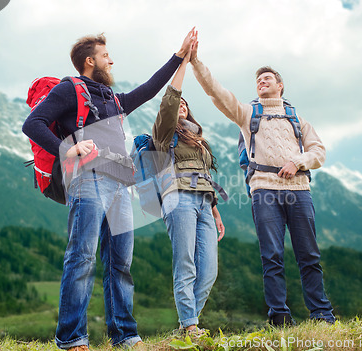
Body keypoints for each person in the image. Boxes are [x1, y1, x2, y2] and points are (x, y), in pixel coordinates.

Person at [22, 29, 196, 350]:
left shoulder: (114, 99)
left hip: (119, 182)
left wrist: (179, 55)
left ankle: (125, 336)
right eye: (105, 56)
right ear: (90, 61)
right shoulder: (68, 90)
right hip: (88, 178)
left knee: (121, 263)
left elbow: (149, 88)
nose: (111, 60)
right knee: (83, 257)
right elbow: (32, 123)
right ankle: (73, 339)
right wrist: (67, 147)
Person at [189, 38, 335, 326]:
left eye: (267, 78)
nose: (261, 82)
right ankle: (279, 317)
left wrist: (299, 162)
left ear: (280, 85)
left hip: (300, 190)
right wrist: (195, 62)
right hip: (264, 190)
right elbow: (217, 93)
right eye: (258, 80)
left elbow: (319, 151)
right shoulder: (248, 114)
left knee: (309, 254)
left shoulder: (297, 119)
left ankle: (321, 314)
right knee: (272, 256)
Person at [151, 41, 225, 335]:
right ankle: (191, 326)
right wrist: (184, 62)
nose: (181, 105)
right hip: (177, 198)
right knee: (186, 264)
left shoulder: (199, 139)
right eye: (179, 104)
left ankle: (184, 326)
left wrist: (216, 211)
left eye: (185, 104)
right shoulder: (164, 133)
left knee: (208, 270)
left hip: (204, 203)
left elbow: (205, 174)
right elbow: (170, 99)